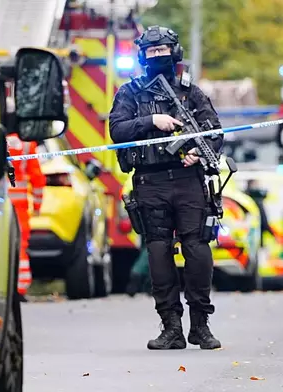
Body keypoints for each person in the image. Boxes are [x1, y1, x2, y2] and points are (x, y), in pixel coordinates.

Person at [109, 25, 224, 351]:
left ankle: (200, 325)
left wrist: (198, 153)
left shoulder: (192, 93)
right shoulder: (130, 93)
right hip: (150, 181)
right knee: (158, 251)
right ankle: (170, 327)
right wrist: (152, 122)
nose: (159, 56)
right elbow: (117, 130)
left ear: (174, 52)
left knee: (197, 249)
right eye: (152, 52)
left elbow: (215, 132)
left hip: (188, 182)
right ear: (143, 56)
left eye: (163, 51)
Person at [5, 96, 46, 302]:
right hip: (19, 206)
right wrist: (38, 205)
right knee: (19, 246)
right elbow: (38, 179)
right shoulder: (28, 146)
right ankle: (19, 289)